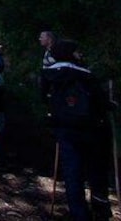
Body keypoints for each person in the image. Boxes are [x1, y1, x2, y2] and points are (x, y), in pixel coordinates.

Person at [41, 40, 112, 221]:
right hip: (91, 129)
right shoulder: (86, 75)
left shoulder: (48, 74)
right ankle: (101, 208)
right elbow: (101, 102)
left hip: (64, 128)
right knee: (96, 170)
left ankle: (79, 213)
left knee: (72, 172)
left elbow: (44, 98)